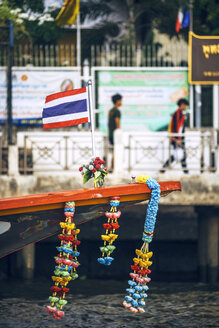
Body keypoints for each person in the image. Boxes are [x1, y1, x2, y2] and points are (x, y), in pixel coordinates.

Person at [160, 98, 189, 174]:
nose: (186, 107)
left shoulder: (181, 114)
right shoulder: (177, 114)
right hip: (177, 138)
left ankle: (163, 169)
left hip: (179, 138)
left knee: (180, 155)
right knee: (179, 155)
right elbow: (176, 126)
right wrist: (177, 139)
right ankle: (185, 172)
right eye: (185, 105)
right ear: (182, 105)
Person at [108, 93, 122, 171]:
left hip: (110, 133)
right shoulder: (117, 111)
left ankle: (111, 167)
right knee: (115, 151)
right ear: (117, 101)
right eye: (120, 100)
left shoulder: (111, 111)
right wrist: (119, 131)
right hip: (115, 134)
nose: (121, 102)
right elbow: (117, 121)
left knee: (113, 151)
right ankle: (112, 167)